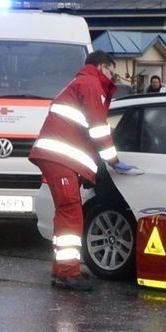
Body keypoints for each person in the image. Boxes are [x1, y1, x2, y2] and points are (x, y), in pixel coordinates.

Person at [29, 50, 139, 291]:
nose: (112, 77)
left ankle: (62, 270)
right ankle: (68, 273)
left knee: (66, 213)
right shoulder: (91, 84)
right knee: (71, 212)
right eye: (111, 71)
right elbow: (98, 128)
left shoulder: (82, 82)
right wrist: (113, 160)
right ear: (101, 66)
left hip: (58, 157)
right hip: (60, 157)